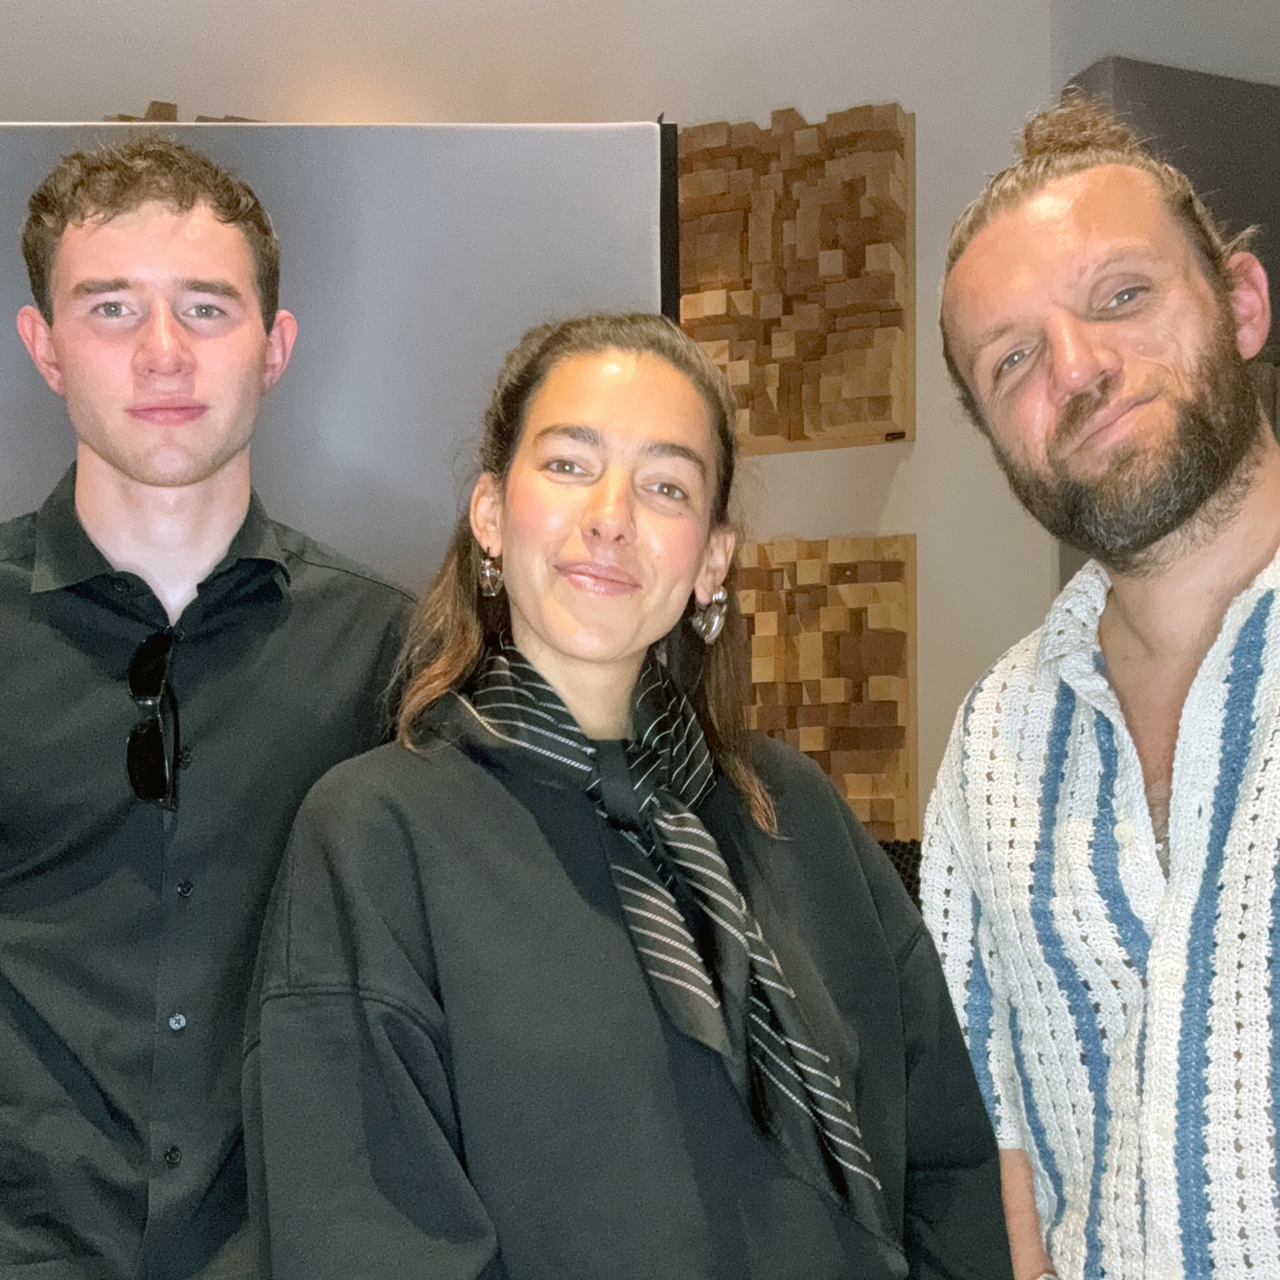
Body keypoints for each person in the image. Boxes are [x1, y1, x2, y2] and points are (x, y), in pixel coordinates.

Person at [243, 312, 1012, 1280]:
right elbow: (362, 1233)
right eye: (569, 464)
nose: (610, 515)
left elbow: (948, 1166)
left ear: (711, 559)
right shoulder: (374, 834)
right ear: (491, 513)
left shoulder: (792, 811)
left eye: (665, 485)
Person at [0, 136, 413, 1278]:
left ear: (274, 348)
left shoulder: (393, 654)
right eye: (112, 307)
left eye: (206, 307)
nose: (163, 352)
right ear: (44, 347)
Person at [920, 93, 1280, 1280]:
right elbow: (993, 1129)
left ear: (1239, 304)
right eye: (1012, 358)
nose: (1076, 366)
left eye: (1121, 295)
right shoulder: (992, 743)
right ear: (996, 440)